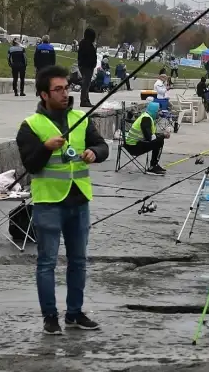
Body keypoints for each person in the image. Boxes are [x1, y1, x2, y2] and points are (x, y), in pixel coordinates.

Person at [15, 65, 110, 336]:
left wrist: (94, 152)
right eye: (58, 89)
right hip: (49, 203)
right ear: (44, 94)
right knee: (47, 262)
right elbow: (30, 165)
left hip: (79, 200)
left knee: (78, 261)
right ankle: (50, 317)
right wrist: (45, 148)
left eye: (67, 87)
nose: (65, 93)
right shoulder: (30, 126)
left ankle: (75, 313)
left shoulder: (80, 117)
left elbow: (102, 145)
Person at [123, 100, 167, 175]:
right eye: (158, 111)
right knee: (159, 141)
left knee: (159, 139)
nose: (159, 113)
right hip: (133, 147)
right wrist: (162, 136)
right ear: (154, 111)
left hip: (133, 144)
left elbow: (150, 135)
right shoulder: (146, 119)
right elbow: (149, 137)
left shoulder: (146, 116)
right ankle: (153, 166)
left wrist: (160, 135)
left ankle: (154, 165)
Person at [77, 28, 97, 106]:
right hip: (87, 66)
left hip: (83, 65)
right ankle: (84, 100)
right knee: (86, 84)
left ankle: (86, 100)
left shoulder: (83, 43)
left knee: (87, 84)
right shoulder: (88, 44)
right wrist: (92, 64)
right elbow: (90, 56)